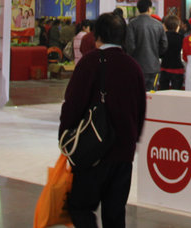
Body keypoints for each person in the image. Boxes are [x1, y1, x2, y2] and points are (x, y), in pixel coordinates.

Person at [59, 13, 146, 228]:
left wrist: (66, 134)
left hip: (94, 151)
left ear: (97, 35)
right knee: (115, 213)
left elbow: (73, 103)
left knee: (80, 207)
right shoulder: (133, 66)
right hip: (123, 152)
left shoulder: (90, 62)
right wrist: (133, 138)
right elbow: (140, 108)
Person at [124, 0, 167, 91]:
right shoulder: (158, 25)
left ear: (138, 9)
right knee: (152, 93)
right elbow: (164, 45)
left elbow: (130, 45)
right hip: (154, 66)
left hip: (137, 65)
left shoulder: (132, 24)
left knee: (138, 92)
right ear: (149, 9)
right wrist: (156, 54)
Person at [159, 15, 186, 91]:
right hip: (177, 67)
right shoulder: (181, 37)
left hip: (164, 67)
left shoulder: (162, 36)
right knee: (176, 93)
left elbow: (160, 52)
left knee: (163, 92)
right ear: (177, 26)